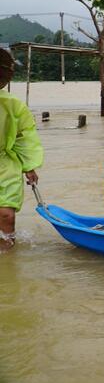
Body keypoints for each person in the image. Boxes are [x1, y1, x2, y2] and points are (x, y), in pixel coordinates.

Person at [0, 47, 43, 250]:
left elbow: (24, 138)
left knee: (6, 214)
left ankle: (7, 258)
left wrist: (29, 167)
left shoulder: (13, 105)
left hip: (5, 162)